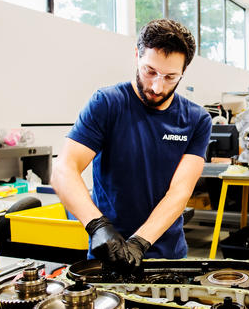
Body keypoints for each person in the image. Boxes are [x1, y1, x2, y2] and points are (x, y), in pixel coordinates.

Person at [51, 19, 212, 272]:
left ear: (184, 72)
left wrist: (140, 242)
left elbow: (180, 192)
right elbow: (64, 170)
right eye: (150, 71)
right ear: (137, 55)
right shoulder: (107, 104)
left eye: (170, 77)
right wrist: (97, 226)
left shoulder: (196, 120)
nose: (157, 87)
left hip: (167, 256)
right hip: (106, 253)